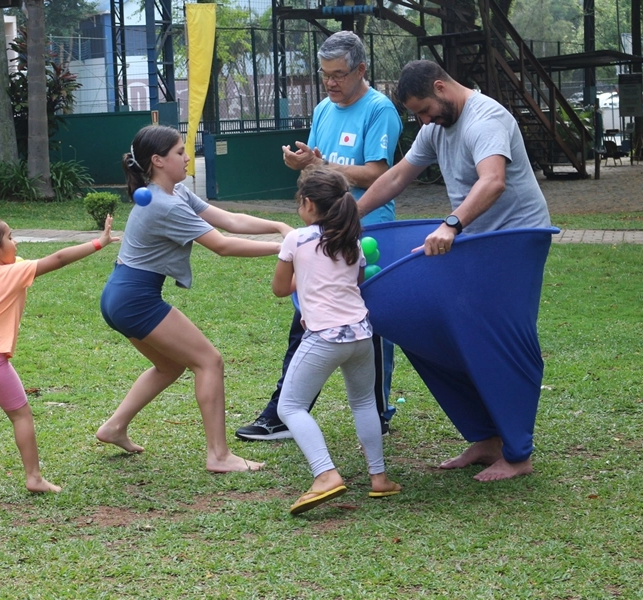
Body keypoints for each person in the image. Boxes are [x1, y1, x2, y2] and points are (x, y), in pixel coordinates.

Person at [355, 59, 552, 481]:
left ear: (441, 87)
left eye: (425, 110)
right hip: (475, 244)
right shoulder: (435, 128)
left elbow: (493, 180)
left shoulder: (486, 119)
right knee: (429, 329)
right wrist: (349, 216)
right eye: (417, 115)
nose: (424, 120)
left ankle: (518, 453)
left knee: (495, 340)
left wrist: (452, 224)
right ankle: (487, 438)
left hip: (514, 241)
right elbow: (397, 177)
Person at [96, 124, 293, 473]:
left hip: (119, 295)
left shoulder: (176, 193)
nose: (188, 157)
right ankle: (219, 455)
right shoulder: (164, 205)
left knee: (170, 365)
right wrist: (285, 249)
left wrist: (278, 227)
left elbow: (229, 220)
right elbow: (222, 245)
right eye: (179, 152)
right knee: (209, 361)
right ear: (158, 161)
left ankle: (114, 427)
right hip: (135, 298)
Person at [236, 30, 402, 442]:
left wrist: (324, 165)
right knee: (308, 316)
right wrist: (304, 164)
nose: (330, 82)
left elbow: (379, 174)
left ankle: (372, 412)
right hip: (320, 236)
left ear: (360, 70)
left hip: (366, 231)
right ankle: (286, 412)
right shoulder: (324, 108)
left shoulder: (379, 109)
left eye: (338, 74)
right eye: (325, 74)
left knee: (370, 322)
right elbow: (318, 171)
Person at [0, 214, 120, 495]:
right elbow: (59, 259)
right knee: (21, 416)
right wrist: (99, 243)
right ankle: (34, 478)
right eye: (10, 237)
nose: (15, 242)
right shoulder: (14, 273)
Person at [274, 168, 401, 515]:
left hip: (324, 336)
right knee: (363, 403)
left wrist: (303, 274)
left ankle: (325, 474)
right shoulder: (353, 241)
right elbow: (354, 282)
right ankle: (379, 478)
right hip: (362, 334)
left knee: (290, 407)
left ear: (308, 203)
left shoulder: (296, 239)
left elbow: (280, 289)